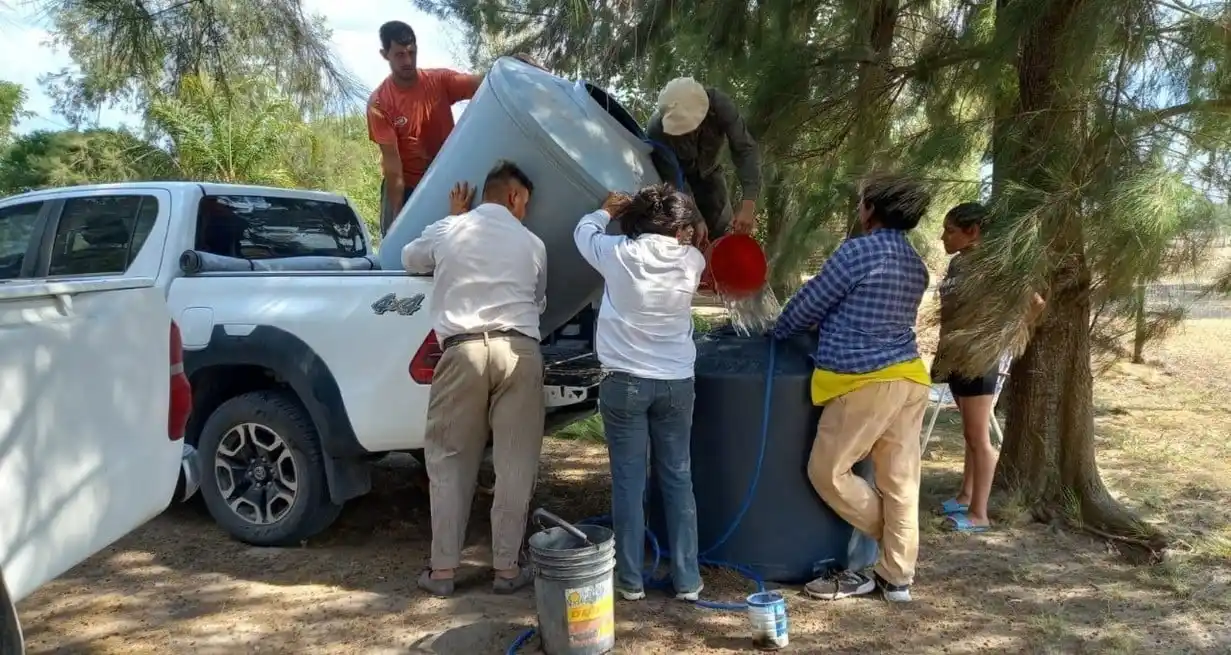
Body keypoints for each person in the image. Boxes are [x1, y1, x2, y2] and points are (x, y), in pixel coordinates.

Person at [771, 173, 933, 603]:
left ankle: (894, 539)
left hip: (865, 381)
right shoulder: (916, 264)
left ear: (871, 211)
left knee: (827, 471)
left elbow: (809, 304)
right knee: (900, 482)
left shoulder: (858, 252)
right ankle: (897, 577)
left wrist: (779, 330)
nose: (859, 208)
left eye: (862, 202)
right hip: (910, 378)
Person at [401, 160, 547, 597]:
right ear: (515, 197)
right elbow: (539, 300)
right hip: (519, 351)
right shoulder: (533, 243)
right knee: (515, 464)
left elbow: (410, 258)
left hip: (461, 351)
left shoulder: (451, 229)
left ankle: (443, 572)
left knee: (449, 461)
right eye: (526, 204)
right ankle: (506, 570)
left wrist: (452, 219)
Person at [573, 184, 707, 602]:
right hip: (676, 384)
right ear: (680, 227)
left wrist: (604, 210)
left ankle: (630, 582)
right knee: (678, 478)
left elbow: (582, 233)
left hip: (625, 382)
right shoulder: (693, 260)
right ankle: (687, 580)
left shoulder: (617, 253)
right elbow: (688, 238)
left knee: (628, 484)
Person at [367, 20, 541, 236]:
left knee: (446, 238)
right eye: (400, 54)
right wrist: (396, 217)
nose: (408, 60)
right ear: (385, 54)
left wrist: (514, 65)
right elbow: (393, 169)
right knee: (395, 242)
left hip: (442, 179)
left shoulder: (438, 81)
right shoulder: (380, 104)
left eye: (412, 52)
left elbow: (484, 83)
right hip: (406, 184)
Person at [933, 202, 1045, 532]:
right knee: (969, 433)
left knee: (978, 436)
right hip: (955, 356)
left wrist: (1003, 335)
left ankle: (979, 515)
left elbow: (1035, 303)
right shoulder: (957, 264)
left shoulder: (996, 265)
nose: (943, 237)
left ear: (974, 231)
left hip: (981, 359)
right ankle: (966, 495)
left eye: (950, 230)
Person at [646, 77, 761, 244]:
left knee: (723, 228)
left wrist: (749, 204)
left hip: (711, 174)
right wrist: (696, 217)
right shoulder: (657, 130)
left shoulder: (720, 106)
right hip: (679, 182)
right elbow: (674, 179)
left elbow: (745, 150)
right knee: (684, 234)